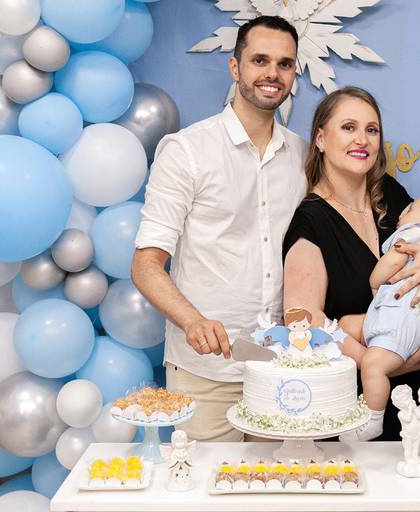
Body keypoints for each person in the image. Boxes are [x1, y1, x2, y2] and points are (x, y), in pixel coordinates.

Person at [131, 16, 307, 442]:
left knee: (283, 481)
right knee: (202, 483)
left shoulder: (303, 155)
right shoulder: (186, 151)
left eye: (284, 64)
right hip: (204, 372)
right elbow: (146, 265)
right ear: (234, 67)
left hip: (282, 372)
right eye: (260, 60)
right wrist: (193, 321)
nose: (272, 73)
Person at [282, 86, 420, 441]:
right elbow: (302, 318)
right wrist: (374, 363)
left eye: (372, 129)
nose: (361, 139)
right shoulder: (311, 222)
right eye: (348, 127)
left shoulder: (393, 195)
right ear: (320, 138)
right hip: (362, 404)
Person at [338, 195, 420, 441]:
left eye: (410, 208)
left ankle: (372, 419)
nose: (401, 213)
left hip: (399, 324)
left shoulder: (415, 234)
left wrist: (374, 282)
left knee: (373, 366)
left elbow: (393, 261)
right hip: (397, 318)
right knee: (345, 325)